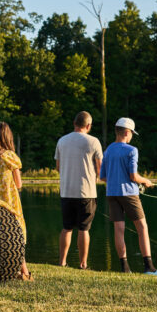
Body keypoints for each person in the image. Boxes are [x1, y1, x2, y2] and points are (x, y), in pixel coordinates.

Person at [99, 118, 157, 276]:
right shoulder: (131, 150)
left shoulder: (108, 150)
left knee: (119, 229)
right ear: (126, 132)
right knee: (142, 227)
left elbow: (102, 176)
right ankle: (149, 267)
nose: (131, 137)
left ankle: (125, 268)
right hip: (129, 194)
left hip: (111, 193)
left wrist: (116, 179)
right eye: (131, 134)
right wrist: (146, 181)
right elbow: (133, 176)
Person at [0, 122, 33, 280]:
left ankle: (23, 271)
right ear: (6, 137)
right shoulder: (9, 157)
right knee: (18, 235)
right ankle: (24, 271)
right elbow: (18, 183)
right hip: (8, 201)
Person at [54, 111, 103, 269]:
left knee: (66, 227)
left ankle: (62, 262)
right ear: (88, 126)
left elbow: (58, 167)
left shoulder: (62, 141)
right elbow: (100, 168)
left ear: (74, 123)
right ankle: (83, 264)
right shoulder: (93, 141)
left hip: (66, 191)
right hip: (86, 192)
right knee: (84, 228)